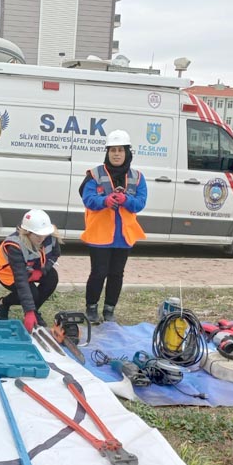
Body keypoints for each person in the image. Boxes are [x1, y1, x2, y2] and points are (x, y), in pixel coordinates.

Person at [79, 129, 147, 324]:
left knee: (116, 274)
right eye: (113, 150)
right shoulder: (94, 174)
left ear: (127, 152)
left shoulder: (138, 177)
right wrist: (104, 201)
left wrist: (126, 200)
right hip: (99, 235)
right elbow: (88, 199)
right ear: (107, 153)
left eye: (120, 150)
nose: (116, 154)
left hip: (123, 236)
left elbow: (140, 203)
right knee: (98, 273)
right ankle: (91, 308)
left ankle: (109, 309)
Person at [0, 209, 61, 331]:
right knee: (31, 292)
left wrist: (41, 271)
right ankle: (3, 304)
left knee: (52, 278)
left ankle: (35, 310)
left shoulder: (50, 235)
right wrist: (29, 311)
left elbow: (55, 255)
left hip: (31, 267)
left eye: (43, 234)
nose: (42, 238)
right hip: (7, 272)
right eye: (37, 235)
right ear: (27, 232)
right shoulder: (15, 245)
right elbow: (21, 280)